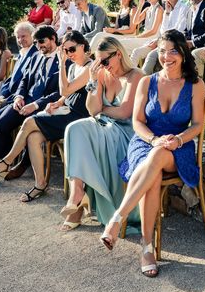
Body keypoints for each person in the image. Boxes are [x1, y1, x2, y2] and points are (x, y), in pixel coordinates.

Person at [101, 29, 205, 278]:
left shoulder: (195, 84)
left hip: (178, 146)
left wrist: (178, 140)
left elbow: (198, 125)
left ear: (182, 53)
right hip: (145, 141)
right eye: (161, 51)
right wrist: (154, 139)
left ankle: (118, 217)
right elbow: (137, 121)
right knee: (153, 172)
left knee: (158, 157)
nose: (166, 56)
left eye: (172, 51)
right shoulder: (147, 82)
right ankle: (147, 247)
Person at [0, 31, 91, 202]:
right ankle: (40, 184)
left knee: (29, 121)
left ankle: (7, 161)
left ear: (83, 46)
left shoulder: (88, 67)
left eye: (72, 49)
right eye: (66, 50)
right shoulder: (72, 66)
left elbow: (66, 89)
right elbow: (66, 94)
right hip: (66, 111)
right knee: (33, 138)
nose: (69, 54)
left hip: (78, 117)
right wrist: (58, 102)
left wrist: (61, 65)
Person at [0, 25, 62, 193]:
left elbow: (59, 92)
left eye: (42, 42)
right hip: (25, 101)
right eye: (37, 43)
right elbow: (24, 80)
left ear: (53, 38)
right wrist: (19, 97)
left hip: (45, 106)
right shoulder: (37, 55)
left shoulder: (64, 59)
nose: (39, 46)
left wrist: (36, 105)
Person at [60, 36, 143, 230]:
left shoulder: (135, 75)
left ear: (119, 55)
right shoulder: (103, 75)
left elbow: (124, 112)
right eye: (98, 62)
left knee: (86, 138)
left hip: (126, 133)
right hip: (105, 126)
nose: (103, 66)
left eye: (105, 61)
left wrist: (102, 109)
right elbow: (91, 109)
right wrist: (93, 80)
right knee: (74, 128)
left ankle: (81, 204)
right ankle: (77, 192)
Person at [133, 0, 190, 74]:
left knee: (151, 55)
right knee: (145, 53)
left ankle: (142, 81)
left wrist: (159, 40)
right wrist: (167, 13)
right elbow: (163, 30)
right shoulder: (167, 9)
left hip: (175, 42)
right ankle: (138, 80)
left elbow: (179, 30)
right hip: (164, 41)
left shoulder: (183, 8)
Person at [95, 0, 163, 54]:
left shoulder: (159, 9)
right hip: (143, 37)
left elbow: (153, 31)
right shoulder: (147, 9)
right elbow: (135, 22)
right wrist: (140, 4)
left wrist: (138, 37)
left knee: (119, 45)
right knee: (118, 46)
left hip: (150, 39)